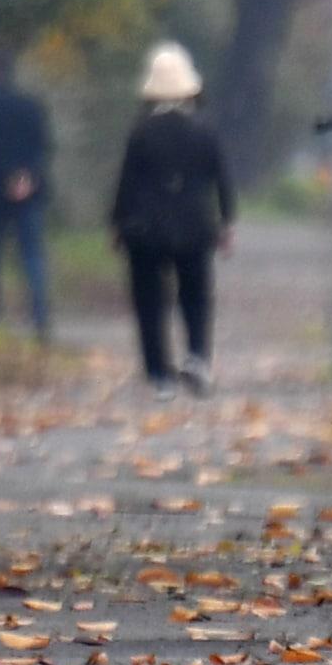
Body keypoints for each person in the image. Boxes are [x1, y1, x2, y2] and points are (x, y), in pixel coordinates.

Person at [110, 41, 235, 398]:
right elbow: (221, 178)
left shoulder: (141, 132)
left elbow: (127, 181)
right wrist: (226, 221)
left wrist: (118, 223)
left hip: (145, 229)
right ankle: (197, 356)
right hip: (195, 227)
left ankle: (159, 373)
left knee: (149, 300)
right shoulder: (204, 130)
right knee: (195, 294)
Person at [0, 48, 51, 342]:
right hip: (29, 190)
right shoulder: (31, 106)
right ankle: (40, 315)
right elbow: (42, 147)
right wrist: (25, 178)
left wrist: (6, 178)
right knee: (31, 253)